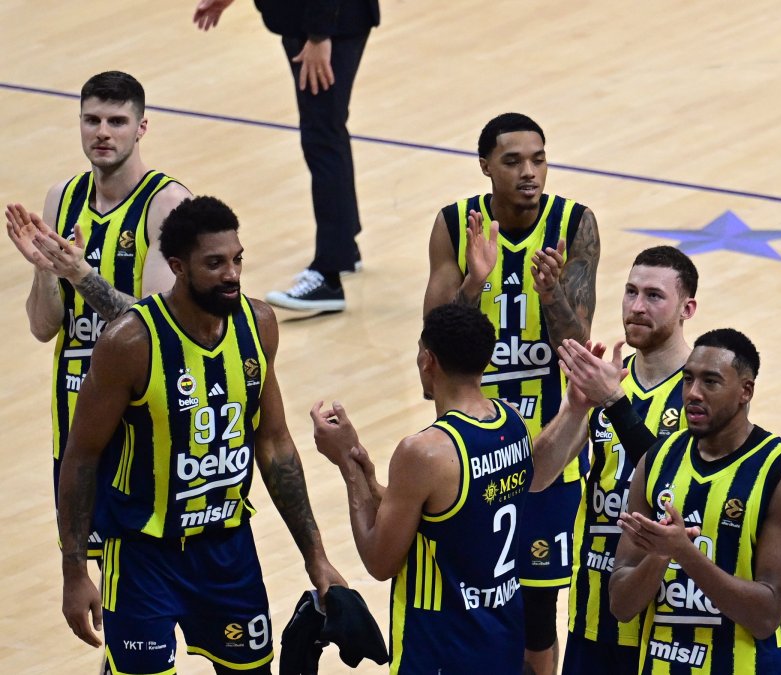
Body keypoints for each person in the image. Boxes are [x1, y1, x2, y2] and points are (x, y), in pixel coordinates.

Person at [57, 196, 345, 673]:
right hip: (143, 557)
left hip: (228, 549)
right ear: (177, 267)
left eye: (237, 259)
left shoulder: (259, 324)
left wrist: (317, 559)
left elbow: (274, 445)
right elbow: (82, 456)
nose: (232, 274)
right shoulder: (129, 343)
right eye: (214, 264)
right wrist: (74, 571)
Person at [423, 112, 600, 674]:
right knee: (477, 601)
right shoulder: (456, 225)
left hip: (549, 450)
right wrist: (475, 282)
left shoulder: (575, 224)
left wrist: (551, 295)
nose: (530, 172)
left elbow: (578, 350)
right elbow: (435, 350)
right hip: (476, 451)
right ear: (485, 167)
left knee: (537, 611)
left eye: (539, 159)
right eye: (513, 161)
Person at [311, 302, 559, 673]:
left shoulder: (424, 453)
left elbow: (380, 561)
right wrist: (363, 468)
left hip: (440, 647)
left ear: (428, 361)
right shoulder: (513, 422)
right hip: (501, 637)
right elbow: (446, 515)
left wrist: (347, 466)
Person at [5, 70, 190, 562]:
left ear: (141, 128)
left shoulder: (167, 205)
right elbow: (44, 327)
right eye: (91, 120)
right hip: (76, 421)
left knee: (149, 579)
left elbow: (162, 331)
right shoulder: (60, 198)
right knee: (99, 583)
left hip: (144, 430)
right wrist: (47, 271)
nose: (102, 132)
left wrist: (83, 276)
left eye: (116, 120)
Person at [530, 245, 699, 675]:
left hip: (667, 617)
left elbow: (675, 485)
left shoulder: (701, 391)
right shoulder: (605, 379)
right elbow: (537, 476)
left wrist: (614, 401)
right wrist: (575, 409)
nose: (637, 307)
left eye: (654, 296)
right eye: (630, 292)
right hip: (593, 608)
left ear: (688, 308)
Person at [608, 329, 781, 674]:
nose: (692, 393)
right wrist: (659, 557)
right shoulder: (657, 459)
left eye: (710, 382)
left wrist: (684, 553)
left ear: (745, 391)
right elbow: (620, 603)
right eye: (688, 379)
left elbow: (766, 615)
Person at [194, 0, 381, 312]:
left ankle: (328, 278)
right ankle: (343, 246)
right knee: (327, 133)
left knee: (322, 138)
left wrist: (320, 36)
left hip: (328, 24)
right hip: (313, 21)